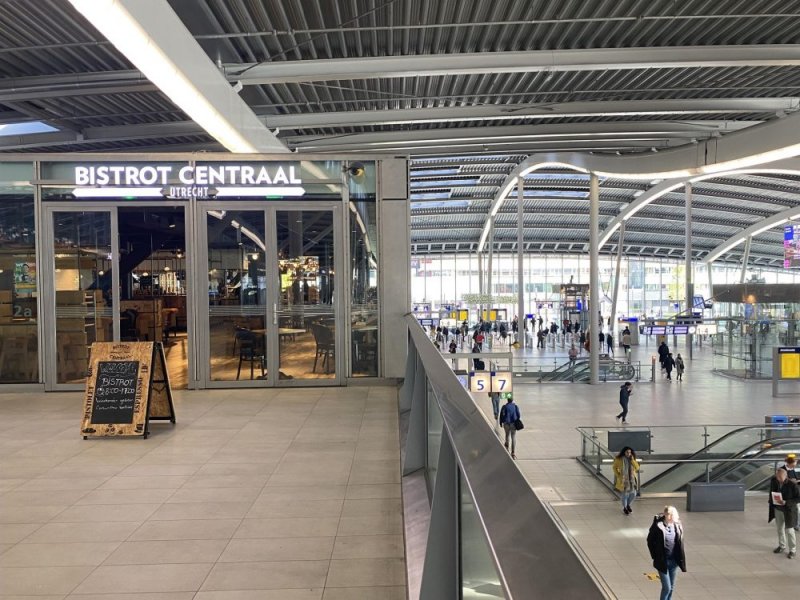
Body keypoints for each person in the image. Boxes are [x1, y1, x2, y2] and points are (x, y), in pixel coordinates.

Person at [647, 506, 687, 600]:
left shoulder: (677, 525)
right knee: (667, 587)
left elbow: (680, 542)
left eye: (672, 515)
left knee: (671, 587)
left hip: (674, 561)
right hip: (662, 561)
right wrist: (655, 556)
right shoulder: (658, 526)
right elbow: (650, 541)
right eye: (668, 514)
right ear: (665, 514)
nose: (670, 517)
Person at [769, 466, 800, 557]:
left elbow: (798, 498)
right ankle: (782, 546)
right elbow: (772, 492)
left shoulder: (793, 485)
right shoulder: (775, 481)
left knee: (790, 531)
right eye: (777, 477)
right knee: (780, 529)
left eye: (780, 477)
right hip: (778, 509)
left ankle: (792, 550)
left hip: (789, 511)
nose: (778, 479)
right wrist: (772, 499)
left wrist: (786, 502)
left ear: (785, 476)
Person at [613, 446, 640, 515]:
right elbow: (614, 467)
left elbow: (637, 467)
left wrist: (632, 460)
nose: (629, 453)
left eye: (630, 452)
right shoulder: (619, 459)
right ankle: (625, 507)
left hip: (632, 480)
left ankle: (628, 505)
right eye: (627, 452)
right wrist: (618, 475)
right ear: (624, 452)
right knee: (625, 495)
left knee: (633, 494)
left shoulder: (632, 458)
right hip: (623, 480)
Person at [498, 394, 520, 459]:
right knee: (513, 437)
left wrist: (500, 422)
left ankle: (507, 445)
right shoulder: (515, 406)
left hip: (506, 424)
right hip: (513, 424)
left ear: (507, 400)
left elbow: (501, 415)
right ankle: (513, 452)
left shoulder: (504, 407)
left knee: (507, 435)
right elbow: (518, 415)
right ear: (512, 400)